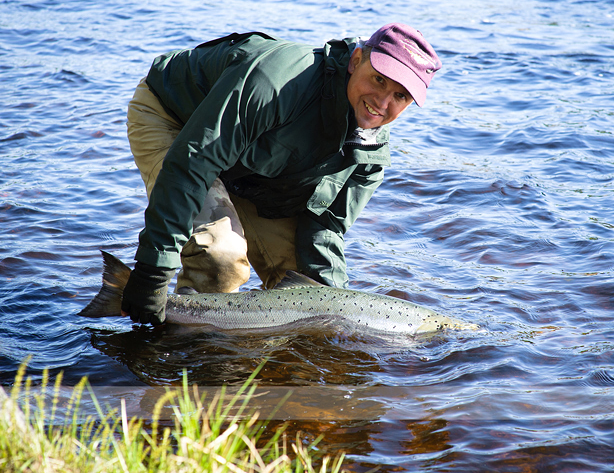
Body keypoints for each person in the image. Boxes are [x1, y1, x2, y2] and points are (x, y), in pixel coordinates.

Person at [121, 23, 442, 326]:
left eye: (400, 96)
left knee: (303, 286)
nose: (382, 102)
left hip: (251, 165)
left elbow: (325, 225)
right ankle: (189, 357)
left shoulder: (369, 153)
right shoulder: (279, 80)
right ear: (356, 60)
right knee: (220, 257)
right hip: (176, 120)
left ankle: (231, 348)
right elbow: (194, 162)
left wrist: (333, 308)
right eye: (379, 80)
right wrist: (152, 271)